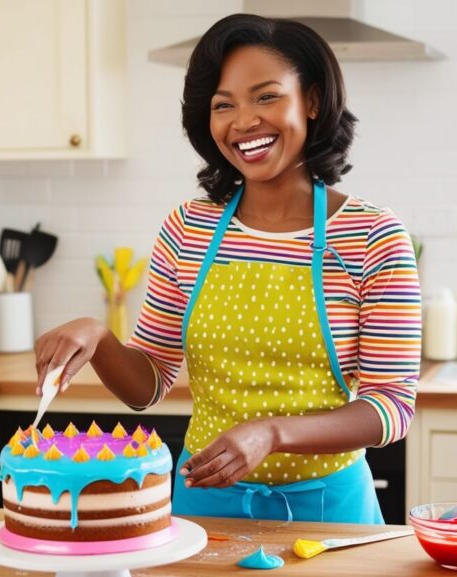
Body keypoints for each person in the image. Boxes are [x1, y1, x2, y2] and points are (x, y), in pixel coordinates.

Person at [33, 13, 421, 524]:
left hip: (330, 512)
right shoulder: (187, 229)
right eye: (223, 105)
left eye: (266, 96)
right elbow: (148, 384)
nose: (243, 122)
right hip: (203, 509)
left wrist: (272, 432)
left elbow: (392, 407)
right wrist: (100, 337)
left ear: (313, 100)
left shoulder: (372, 234)